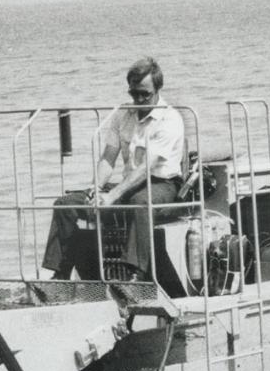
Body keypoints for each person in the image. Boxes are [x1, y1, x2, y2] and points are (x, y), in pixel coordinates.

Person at [42, 57, 188, 280]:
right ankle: (59, 274)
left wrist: (112, 196)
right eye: (133, 93)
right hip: (129, 184)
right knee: (67, 204)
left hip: (162, 184)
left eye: (144, 94)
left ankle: (135, 274)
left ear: (158, 89)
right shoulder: (123, 116)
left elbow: (146, 168)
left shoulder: (169, 119)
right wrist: (96, 188)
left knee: (140, 202)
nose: (138, 100)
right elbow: (108, 158)